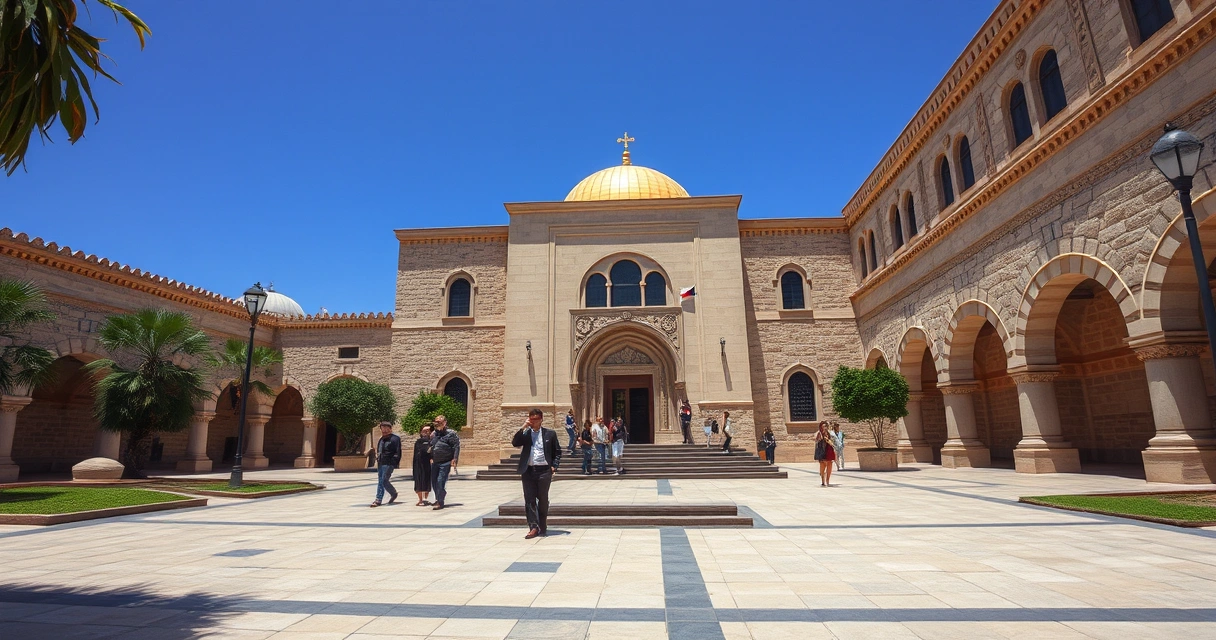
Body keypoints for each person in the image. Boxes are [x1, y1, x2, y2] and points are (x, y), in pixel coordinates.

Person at [511, 408, 561, 539]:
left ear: (541, 420)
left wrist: (554, 466)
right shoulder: (526, 434)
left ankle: (542, 525)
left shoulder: (550, 434)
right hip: (528, 470)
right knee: (529, 500)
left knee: (543, 499)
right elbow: (515, 443)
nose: (533, 422)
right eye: (531, 419)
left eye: (536, 420)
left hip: (544, 471)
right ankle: (533, 527)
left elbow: (557, 452)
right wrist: (523, 427)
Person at [428, 414, 460, 509]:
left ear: (445, 422)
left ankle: (440, 502)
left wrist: (455, 458)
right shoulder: (433, 434)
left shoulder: (451, 433)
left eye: (439, 422)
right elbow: (431, 446)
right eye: (436, 422)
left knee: (440, 481)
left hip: (445, 461)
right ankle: (438, 498)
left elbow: (456, 446)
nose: (437, 424)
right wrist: (431, 456)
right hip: (435, 462)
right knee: (434, 482)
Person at [370, 422, 401, 507]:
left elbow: (397, 452)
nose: (384, 431)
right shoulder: (381, 439)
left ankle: (378, 499)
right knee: (381, 480)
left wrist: (394, 463)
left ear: (390, 429)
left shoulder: (395, 439)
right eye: (382, 429)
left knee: (383, 480)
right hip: (381, 462)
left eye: (386, 429)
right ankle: (392, 493)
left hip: (389, 462)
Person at [411, 424, 433, 506]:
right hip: (418, 463)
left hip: (427, 463)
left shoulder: (432, 441)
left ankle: (426, 497)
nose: (426, 432)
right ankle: (420, 499)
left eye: (428, 431)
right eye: (424, 431)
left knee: (427, 480)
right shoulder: (418, 442)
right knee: (418, 480)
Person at [815, 421, 836, 486]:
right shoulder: (819, 433)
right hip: (822, 452)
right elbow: (816, 442)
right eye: (823, 426)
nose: (824, 428)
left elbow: (834, 440)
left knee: (829, 465)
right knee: (822, 467)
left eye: (825, 426)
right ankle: (823, 480)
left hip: (829, 451)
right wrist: (821, 437)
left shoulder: (830, 433)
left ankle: (827, 480)